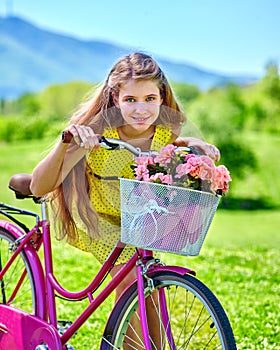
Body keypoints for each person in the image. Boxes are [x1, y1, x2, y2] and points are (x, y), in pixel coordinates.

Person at [30, 52, 220, 346]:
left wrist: (193, 144)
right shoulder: (96, 134)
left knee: (150, 288)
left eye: (150, 99)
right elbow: (40, 186)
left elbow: (174, 148)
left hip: (139, 222)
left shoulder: (163, 133)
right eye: (130, 99)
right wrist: (66, 141)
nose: (141, 109)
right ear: (115, 99)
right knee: (132, 274)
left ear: (161, 98)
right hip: (99, 219)